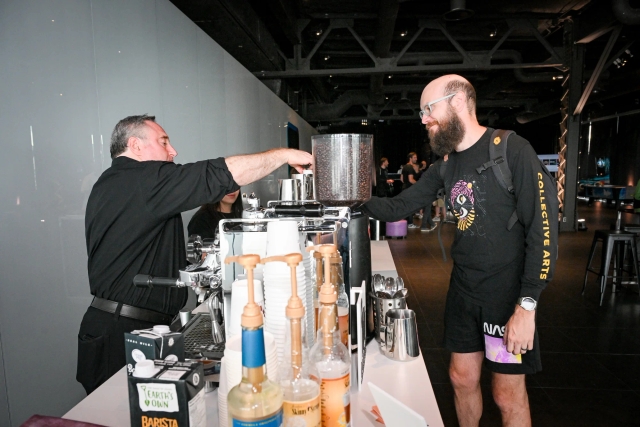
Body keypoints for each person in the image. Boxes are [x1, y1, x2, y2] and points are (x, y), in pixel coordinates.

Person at [362, 75, 558, 427]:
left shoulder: (511, 150)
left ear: (456, 101)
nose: (423, 119)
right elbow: (396, 208)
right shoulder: (446, 166)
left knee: (506, 394)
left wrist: (527, 306)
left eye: (428, 109)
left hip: (505, 297)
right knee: (461, 379)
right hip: (464, 292)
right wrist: (344, 194)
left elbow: (543, 233)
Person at [78, 114, 313, 394]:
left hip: (125, 325)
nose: (173, 150)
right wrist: (284, 154)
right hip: (122, 334)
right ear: (135, 146)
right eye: (164, 141)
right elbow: (217, 174)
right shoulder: (141, 181)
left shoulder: (114, 183)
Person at [401, 152, 420, 228]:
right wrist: (419, 185)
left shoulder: (405, 167)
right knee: (410, 207)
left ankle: (407, 222)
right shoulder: (410, 167)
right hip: (409, 189)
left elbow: (401, 179)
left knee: (406, 206)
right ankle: (410, 223)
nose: (416, 159)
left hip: (404, 188)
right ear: (410, 158)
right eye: (414, 157)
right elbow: (411, 180)